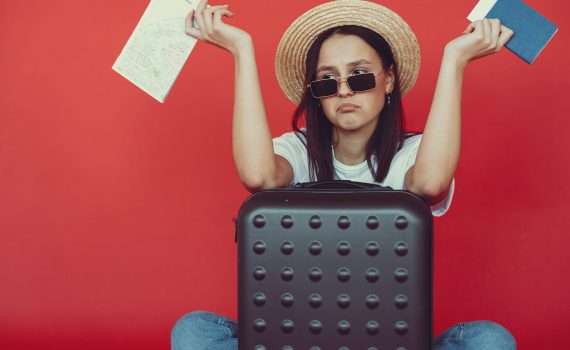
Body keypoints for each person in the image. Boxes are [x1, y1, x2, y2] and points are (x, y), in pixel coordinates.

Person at [172, 0, 517, 349]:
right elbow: (259, 177)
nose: (344, 90)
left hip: (391, 341)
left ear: (389, 80)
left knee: (490, 341)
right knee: (193, 332)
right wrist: (240, 50)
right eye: (327, 82)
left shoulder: (415, 154)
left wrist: (454, 61)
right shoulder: (297, 149)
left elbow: (429, 184)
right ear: (316, 96)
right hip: (295, 339)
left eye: (360, 75)